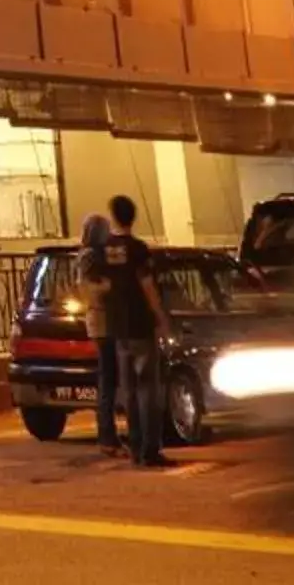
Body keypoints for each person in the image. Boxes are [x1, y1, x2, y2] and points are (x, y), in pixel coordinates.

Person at [87, 193, 170, 467]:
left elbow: (95, 282)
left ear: (113, 216)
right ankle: (150, 449)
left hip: (117, 326)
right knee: (148, 389)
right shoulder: (138, 249)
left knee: (129, 390)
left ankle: (134, 447)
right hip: (140, 325)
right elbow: (148, 286)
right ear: (133, 217)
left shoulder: (105, 249)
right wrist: (160, 318)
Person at [77, 211, 120, 452]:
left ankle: (108, 432)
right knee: (108, 378)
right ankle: (106, 434)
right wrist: (111, 286)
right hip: (102, 319)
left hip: (99, 319)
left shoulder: (88, 255)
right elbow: (89, 288)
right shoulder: (91, 257)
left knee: (108, 377)